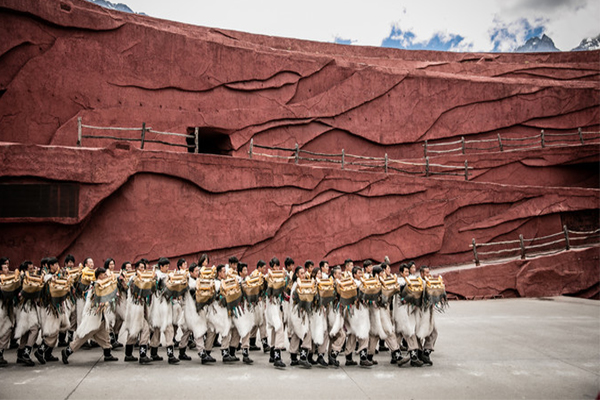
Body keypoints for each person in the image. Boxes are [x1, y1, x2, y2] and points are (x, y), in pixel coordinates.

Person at [61, 268, 118, 364]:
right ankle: (67, 351)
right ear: (99, 275)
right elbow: (99, 300)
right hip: (93, 316)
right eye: (104, 274)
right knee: (84, 336)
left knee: (104, 334)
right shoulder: (96, 286)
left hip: (100, 316)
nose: (106, 276)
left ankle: (107, 354)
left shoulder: (101, 284)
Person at [265, 257, 286, 368]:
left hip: (277, 305)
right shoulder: (268, 277)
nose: (277, 267)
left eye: (278, 265)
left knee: (274, 329)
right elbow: (267, 292)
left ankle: (272, 353)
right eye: (275, 265)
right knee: (279, 329)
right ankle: (277, 355)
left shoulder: (280, 276)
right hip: (272, 305)